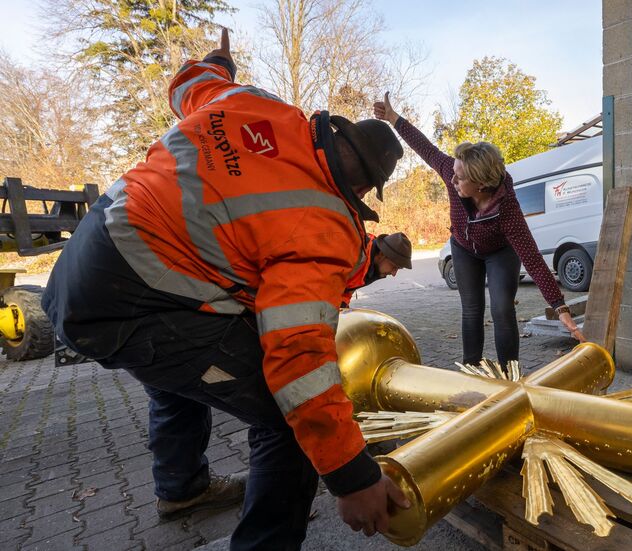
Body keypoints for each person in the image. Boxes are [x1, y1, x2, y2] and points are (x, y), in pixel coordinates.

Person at [42, 29, 409, 550]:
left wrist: (221, 62)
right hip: (133, 302)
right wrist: (351, 475)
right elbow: (298, 359)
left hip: (81, 265)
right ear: (364, 190)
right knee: (287, 420)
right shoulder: (325, 222)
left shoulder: (254, 104)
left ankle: (182, 488)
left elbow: (191, 82)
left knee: (176, 370)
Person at [373, 93, 585, 367]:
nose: (452, 179)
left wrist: (560, 307)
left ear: (482, 184)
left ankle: (510, 375)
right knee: (472, 310)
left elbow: (532, 258)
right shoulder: (452, 172)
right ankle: (471, 370)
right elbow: (426, 149)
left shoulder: (507, 208)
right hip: (463, 249)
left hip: (500, 253)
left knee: (501, 309)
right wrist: (394, 119)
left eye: (459, 178)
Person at [341, 232, 413, 307]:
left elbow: (348, 288)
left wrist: (343, 306)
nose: (394, 274)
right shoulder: (356, 255)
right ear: (381, 254)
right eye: (394, 266)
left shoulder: (373, 266)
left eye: (398, 268)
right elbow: (330, 284)